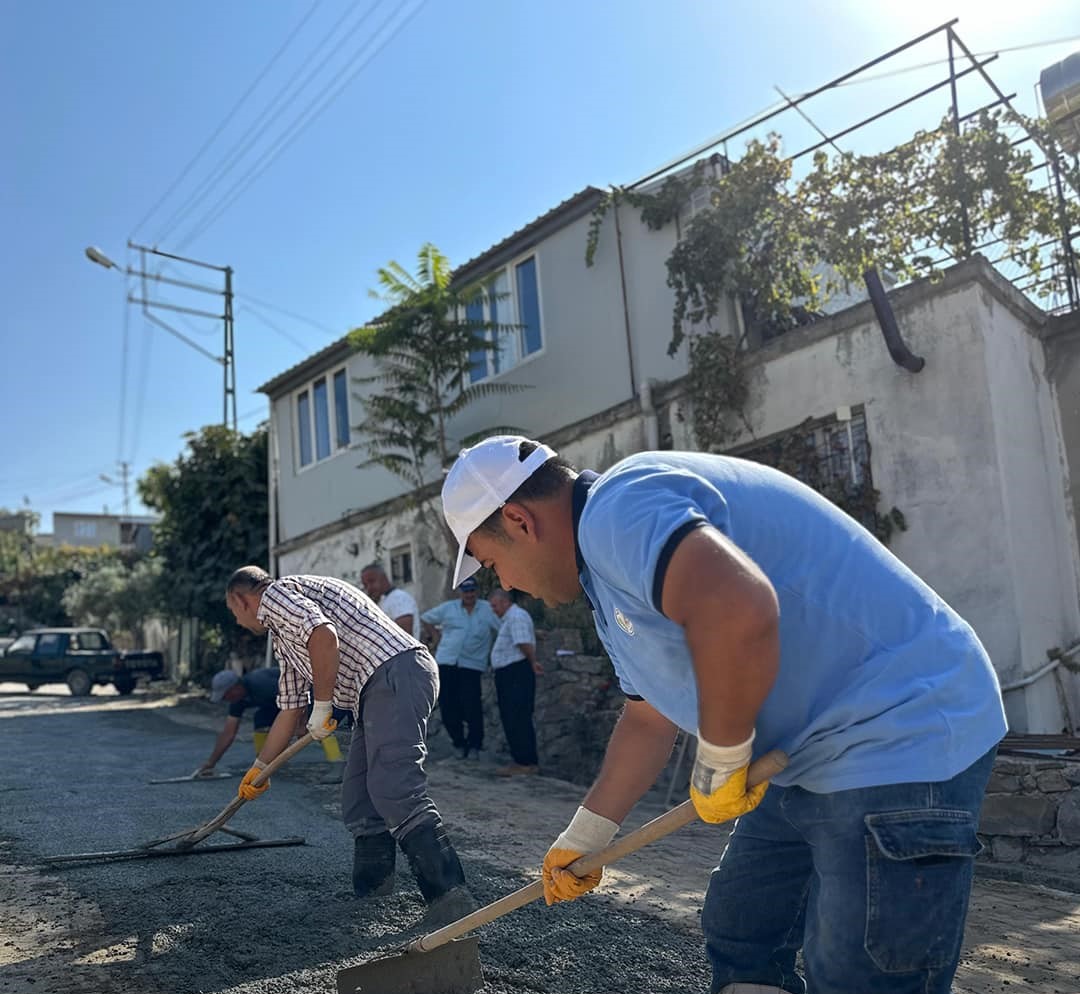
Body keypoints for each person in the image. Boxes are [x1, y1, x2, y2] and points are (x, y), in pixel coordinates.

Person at [439, 435, 1006, 994]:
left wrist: (720, 760)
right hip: (810, 752)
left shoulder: (621, 507)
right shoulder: (606, 586)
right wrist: (586, 835)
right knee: (744, 935)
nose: (507, 584)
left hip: (898, 728)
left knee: (856, 972)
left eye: (493, 566)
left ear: (518, 520)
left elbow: (738, 606)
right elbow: (648, 718)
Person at [224, 565, 473, 926]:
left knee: (394, 786)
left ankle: (450, 896)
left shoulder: (276, 595)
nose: (238, 621)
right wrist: (260, 768)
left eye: (234, 613)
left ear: (242, 599)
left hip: (395, 671)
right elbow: (290, 709)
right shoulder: (283, 637)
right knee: (359, 798)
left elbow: (323, 636)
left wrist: (323, 704)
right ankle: (372, 890)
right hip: (372, 690)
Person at [420, 577, 498, 759]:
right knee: (448, 705)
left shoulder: (487, 609)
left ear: (476, 591)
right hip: (447, 662)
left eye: (472, 591)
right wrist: (435, 636)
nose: (469, 595)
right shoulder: (449, 608)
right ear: (460, 592)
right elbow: (426, 618)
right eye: (466, 591)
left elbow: (503, 626)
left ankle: (475, 745)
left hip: (472, 664)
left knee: (472, 705)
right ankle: (458, 743)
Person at [488, 587, 543, 777]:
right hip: (510, 672)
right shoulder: (511, 618)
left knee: (517, 716)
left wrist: (533, 661)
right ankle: (521, 760)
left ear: (504, 602)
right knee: (512, 716)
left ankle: (525, 762)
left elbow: (523, 642)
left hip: (515, 671)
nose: (493, 609)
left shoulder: (516, 616)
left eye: (495, 605)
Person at [195, 666, 282, 776]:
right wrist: (210, 763)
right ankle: (265, 762)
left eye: (226, 695)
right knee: (261, 719)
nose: (226, 699)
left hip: (305, 691)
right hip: (275, 703)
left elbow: (295, 696)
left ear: (236, 687)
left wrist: (300, 724)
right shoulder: (237, 700)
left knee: (301, 726)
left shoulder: (261, 683)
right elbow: (228, 733)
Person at [360, 562, 420, 638]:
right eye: (365, 585)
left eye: (372, 581)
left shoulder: (398, 598)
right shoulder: (384, 600)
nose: (369, 588)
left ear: (384, 578)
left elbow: (405, 634)